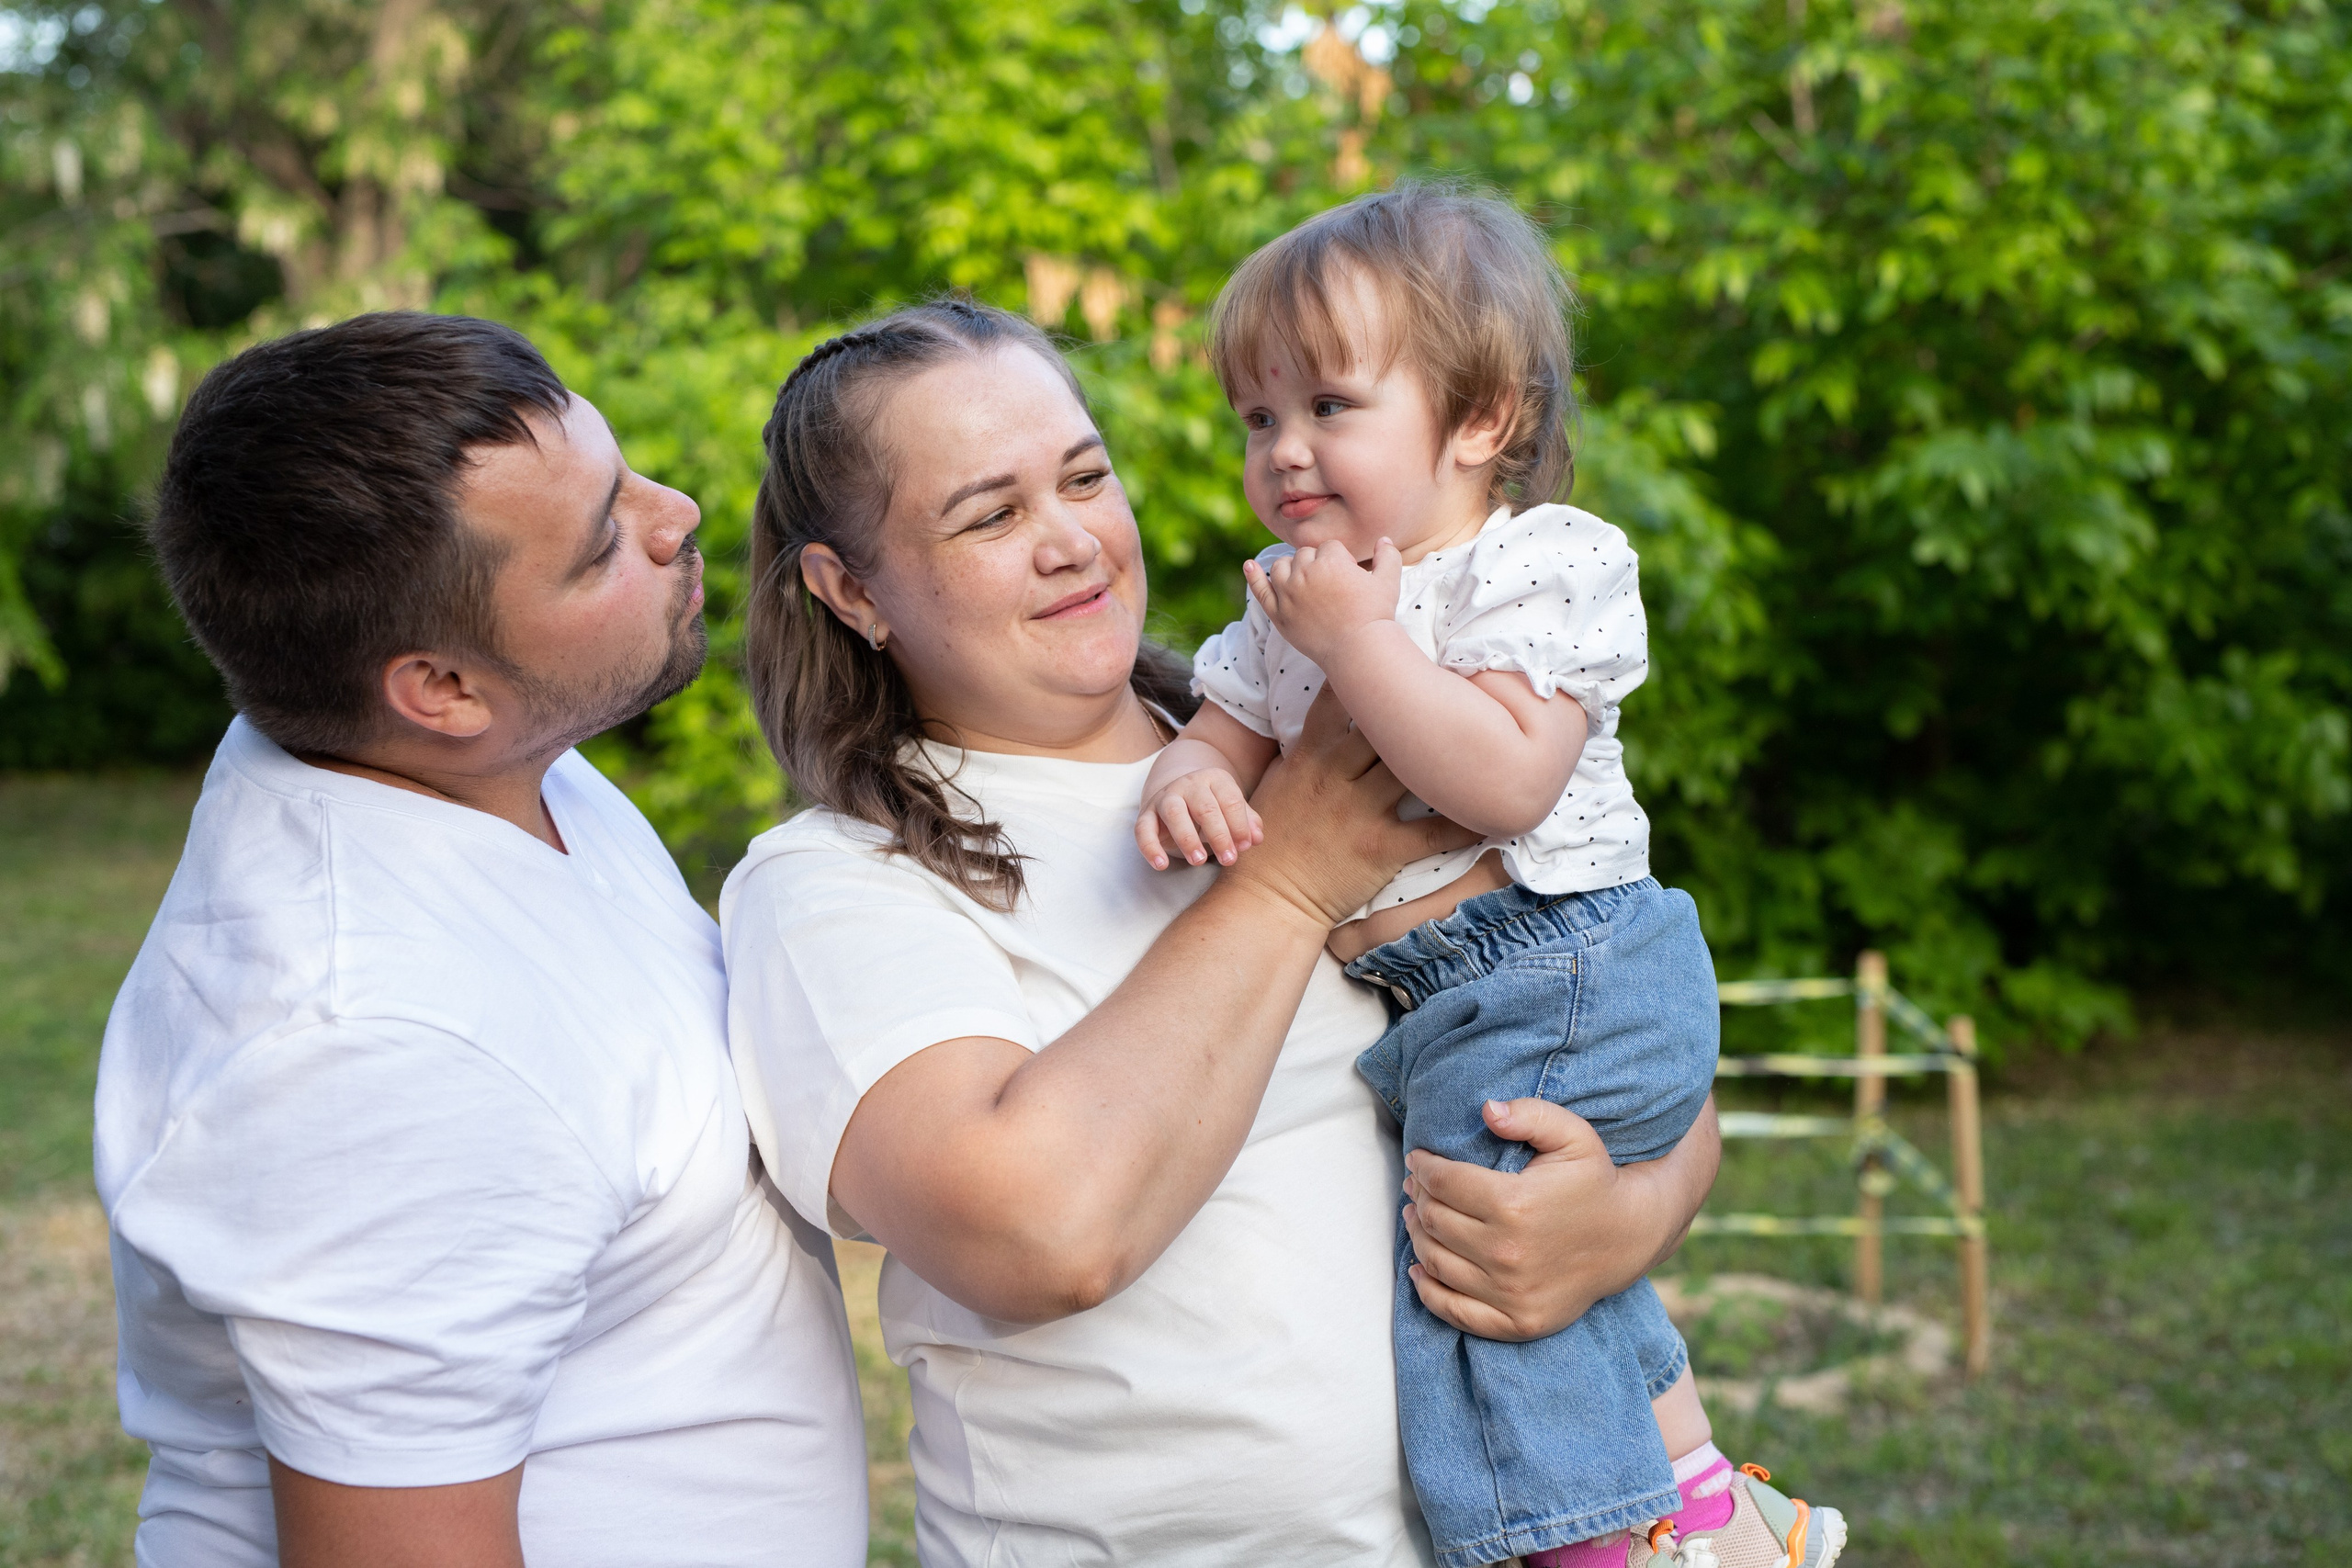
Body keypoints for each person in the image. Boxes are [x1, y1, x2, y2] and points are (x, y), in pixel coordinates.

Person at [720, 296, 1724, 1566]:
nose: (1071, 540)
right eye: (992, 513)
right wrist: (1292, 875)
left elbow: (1606, 1023)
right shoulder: (833, 883)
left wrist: (1626, 1219)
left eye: (1085, 478)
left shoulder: (1328, 719)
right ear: (850, 588)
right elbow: (1039, 1238)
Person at [1139, 186, 1846, 1568]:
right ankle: (1706, 1509)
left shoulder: (1539, 565)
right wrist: (1192, 784)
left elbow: (1506, 780)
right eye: (1257, 419)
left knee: (1472, 1268)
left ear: (1480, 421)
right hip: (1450, 999)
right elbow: (1215, 730)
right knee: (1540, 1255)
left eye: (1330, 406)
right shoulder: (1292, 597)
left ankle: (1590, 1543)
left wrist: (1360, 643)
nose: (1285, 451)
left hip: (1562, 961)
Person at [95, 313, 866, 1568]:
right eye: (604, 541)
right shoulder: (372, 1052)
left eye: (623, 478)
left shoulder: (486, 764)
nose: (678, 518)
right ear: (439, 688)